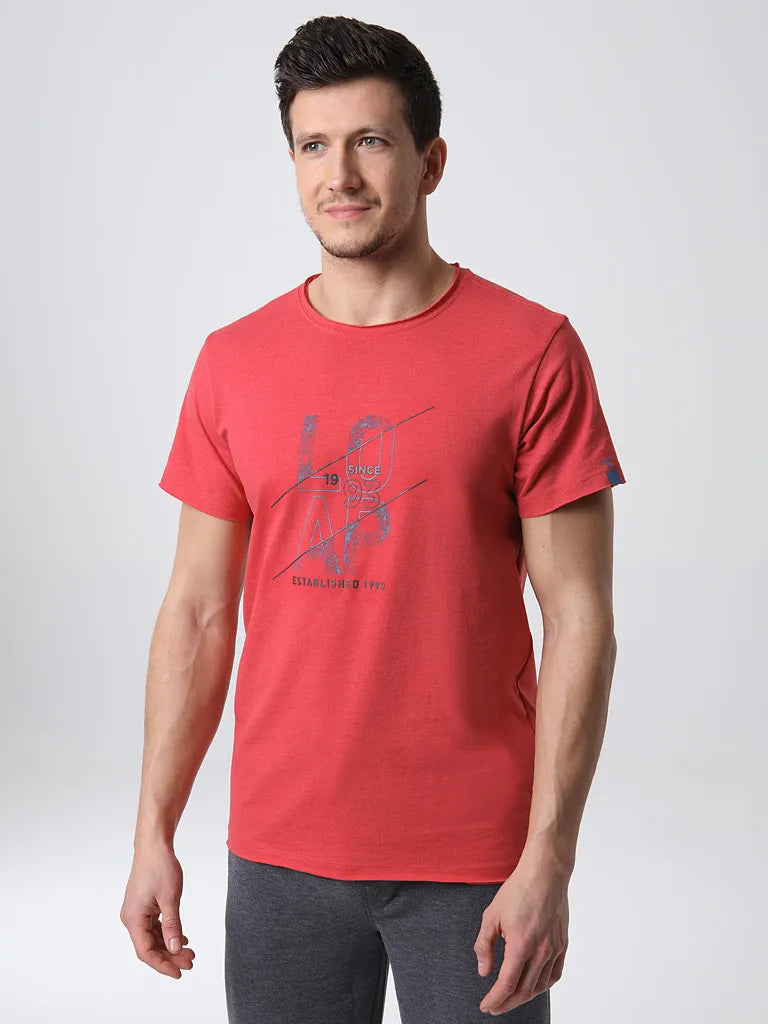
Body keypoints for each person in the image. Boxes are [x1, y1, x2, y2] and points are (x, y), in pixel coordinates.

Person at [119, 15, 627, 1023]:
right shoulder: (233, 362)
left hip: (475, 861)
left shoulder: (533, 353)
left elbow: (580, 619)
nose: (340, 175)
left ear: (430, 162)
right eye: (313, 145)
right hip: (279, 856)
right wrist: (152, 831)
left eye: (370, 141)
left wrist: (549, 857)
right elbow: (198, 613)